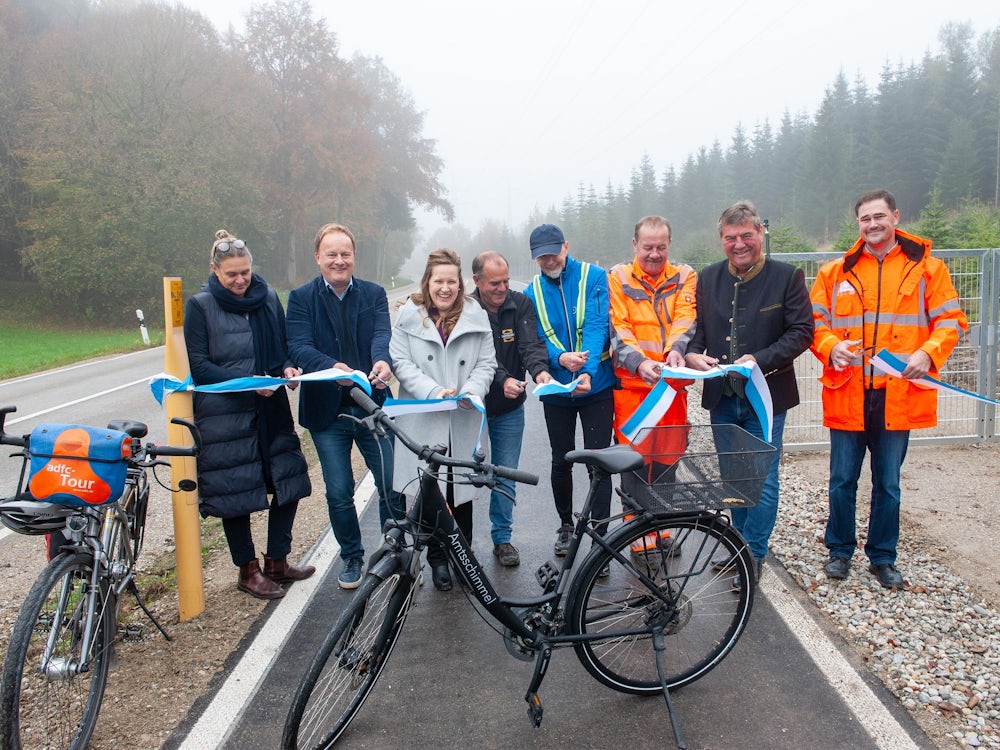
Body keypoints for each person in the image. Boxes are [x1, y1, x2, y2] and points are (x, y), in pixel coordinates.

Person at [810, 189, 967, 589]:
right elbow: (813, 323)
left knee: (888, 482)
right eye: (865, 218)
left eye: (879, 216)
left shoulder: (928, 269)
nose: (873, 224)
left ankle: (882, 556)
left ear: (895, 217)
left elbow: (951, 320)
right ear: (858, 223)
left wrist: (929, 355)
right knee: (842, 479)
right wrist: (831, 347)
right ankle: (839, 551)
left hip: (897, 393)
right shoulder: (836, 272)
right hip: (849, 390)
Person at [685, 201, 814, 588]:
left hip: (766, 394)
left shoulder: (787, 276)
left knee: (763, 476)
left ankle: (754, 554)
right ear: (721, 238)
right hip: (722, 397)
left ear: (760, 233)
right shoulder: (707, 278)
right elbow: (699, 333)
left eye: (746, 236)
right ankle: (739, 547)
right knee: (733, 479)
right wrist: (691, 353)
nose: (739, 244)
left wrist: (758, 359)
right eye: (730, 238)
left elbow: (802, 331)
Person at [184, 230, 313, 600]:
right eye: (231, 275)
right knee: (235, 491)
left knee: (289, 480)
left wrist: (289, 368)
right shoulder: (200, 306)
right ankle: (248, 570)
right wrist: (246, 382)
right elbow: (200, 366)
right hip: (224, 414)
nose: (241, 280)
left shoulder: (269, 297)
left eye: (245, 272)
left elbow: (284, 347)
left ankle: (277, 560)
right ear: (214, 270)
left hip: (271, 405)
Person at [286, 222, 404, 590]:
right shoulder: (301, 298)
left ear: (354, 256)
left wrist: (382, 360)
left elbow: (382, 335)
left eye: (345, 254)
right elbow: (298, 346)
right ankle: (352, 556)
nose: (339, 261)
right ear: (318, 257)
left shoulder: (372, 293)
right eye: (332, 254)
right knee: (339, 491)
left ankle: (392, 549)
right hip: (326, 412)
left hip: (371, 404)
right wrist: (328, 367)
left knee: (391, 483)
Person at [390, 248, 497, 590]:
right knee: (432, 491)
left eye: (452, 281)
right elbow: (400, 362)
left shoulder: (476, 314)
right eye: (439, 281)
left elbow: (487, 363)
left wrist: (473, 390)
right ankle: (438, 559)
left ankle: (462, 554)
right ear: (428, 281)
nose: (446, 288)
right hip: (426, 415)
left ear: (461, 282)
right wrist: (433, 391)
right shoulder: (409, 315)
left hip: (462, 416)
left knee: (460, 490)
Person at [524, 224, 616, 556]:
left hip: (597, 386)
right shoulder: (531, 292)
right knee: (561, 460)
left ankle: (601, 537)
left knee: (598, 461)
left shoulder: (593, 276)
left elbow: (597, 324)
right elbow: (534, 338)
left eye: (553, 252)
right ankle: (565, 525)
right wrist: (560, 357)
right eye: (541, 256)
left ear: (566, 246)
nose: (549, 260)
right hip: (558, 391)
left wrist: (587, 371)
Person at [471, 250, 553, 567]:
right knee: (464, 475)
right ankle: (456, 540)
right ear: (477, 281)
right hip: (472, 405)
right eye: (494, 283)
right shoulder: (465, 309)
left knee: (505, 474)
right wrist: (502, 378)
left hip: (509, 405)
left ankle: (502, 538)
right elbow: (481, 357)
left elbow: (530, 345)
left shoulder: (520, 304)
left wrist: (540, 372)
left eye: (505, 281)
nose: (502, 288)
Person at [608, 215, 696, 458]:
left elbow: (685, 317)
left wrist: (676, 351)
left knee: (667, 470)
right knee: (633, 470)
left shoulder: (685, 275)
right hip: (633, 391)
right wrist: (639, 363)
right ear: (635, 244)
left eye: (661, 247)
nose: (655, 254)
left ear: (670, 244)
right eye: (648, 247)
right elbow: (618, 325)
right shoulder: (618, 276)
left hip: (672, 391)